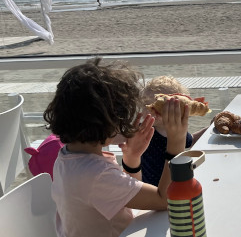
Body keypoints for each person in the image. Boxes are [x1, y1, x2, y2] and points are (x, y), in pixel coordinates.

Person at [43, 58, 188, 237]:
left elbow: (126, 198)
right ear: (105, 122)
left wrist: (132, 159)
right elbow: (165, 200)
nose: (127, 123)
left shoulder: (67, 158)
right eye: (122, 117)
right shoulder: (96, 174)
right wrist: (176, 144)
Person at [139, 75, 207, 186]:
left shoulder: (179, 130)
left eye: (161, 106)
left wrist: (210, 128)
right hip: (150, 189)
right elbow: (126, 137)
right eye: (146, 104)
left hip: (175, 184)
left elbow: (192, 139)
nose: (150, 110)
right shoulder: (143, 130)